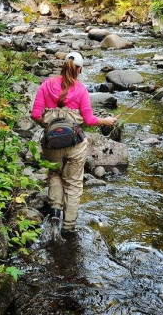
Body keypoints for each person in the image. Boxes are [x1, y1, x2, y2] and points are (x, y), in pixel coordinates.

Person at [30, 51, 117, 235]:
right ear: (80, 69)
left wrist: (48, 127)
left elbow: (35, 115)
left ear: (64, 66)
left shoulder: (46, 85)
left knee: (54, 175)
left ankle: (54, 214)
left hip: (51, 145)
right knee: (73, 184)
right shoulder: (81, 89)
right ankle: (68, 228)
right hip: (75, 145)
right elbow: (89, 120)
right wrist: (106, 121)